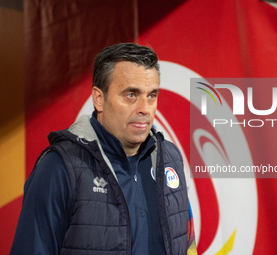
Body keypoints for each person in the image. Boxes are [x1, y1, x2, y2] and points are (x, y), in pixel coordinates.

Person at [10, 43, 197, 255]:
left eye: (151, 95)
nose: (145, 109)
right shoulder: (59, 167)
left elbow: (187, 243)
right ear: (99, 98)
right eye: (131, 95)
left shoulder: (170, 158)